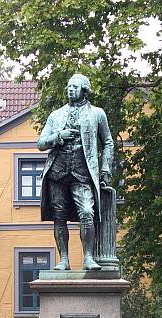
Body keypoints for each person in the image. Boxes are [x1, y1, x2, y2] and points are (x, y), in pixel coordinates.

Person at [37, 74, 115, 270]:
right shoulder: (56, 115)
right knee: (59, 216)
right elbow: (41, 143)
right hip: (57, 173)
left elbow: (108, 142)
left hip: (82, 173)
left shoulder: (97, 114)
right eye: (68, 86)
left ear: (85, 90)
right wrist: (58, 136)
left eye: (75, 87)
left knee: (87, 212)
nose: (70, 89)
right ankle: (64, 259)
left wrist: (105, 170)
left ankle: (88, 257)